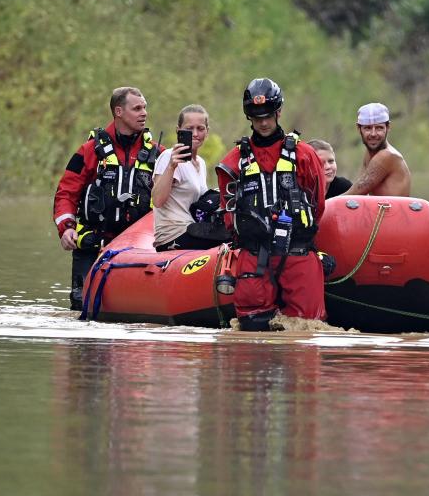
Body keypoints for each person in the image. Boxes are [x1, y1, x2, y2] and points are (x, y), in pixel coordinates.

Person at [216, 77, 328, 331]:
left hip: (298, 253)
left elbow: (317, 204)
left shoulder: (305, 155)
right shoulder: (233, 162)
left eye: (267, 116)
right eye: (257, 117)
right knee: (250, 333)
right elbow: (228, 212)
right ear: (249, 117)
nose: (263, 123)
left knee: (306, 331)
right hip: (253, 257)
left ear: (278, 112)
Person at [53, 86, 161, 310]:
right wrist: (66, 228)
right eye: (137, 108)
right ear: (119, 112)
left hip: (139, 249)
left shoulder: (158, 153)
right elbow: (66, 192)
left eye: (145, 108)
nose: (144, 113)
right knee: (83, 307)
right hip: (93, 246)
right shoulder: (90, 150)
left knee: (136, 309)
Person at [152, 104, 224, 252]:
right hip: (172, 235)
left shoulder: (201, 163)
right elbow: (157, 201)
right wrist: (171, 167)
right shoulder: (169, 156)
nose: (196, 134)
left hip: (193, 228)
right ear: (179, 131)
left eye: (200, 128)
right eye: (189, 129)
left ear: (207, 131)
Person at [340, 102, 412, 196]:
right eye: (368, 128)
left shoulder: (388, 155)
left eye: (379, 128)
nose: (373, 134)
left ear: (388, 127)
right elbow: (359, 191)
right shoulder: (369, 154)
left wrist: (327, 204)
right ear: (358, 128)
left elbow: (357, 192)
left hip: (393, 210)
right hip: (378, 210)